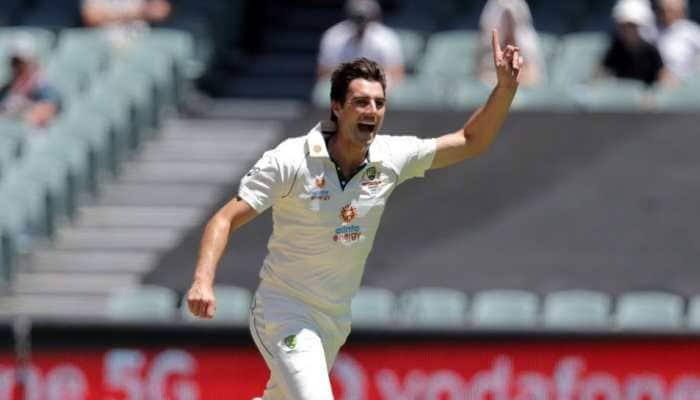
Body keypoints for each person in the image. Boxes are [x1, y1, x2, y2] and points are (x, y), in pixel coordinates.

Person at [187, 30, 522, 400]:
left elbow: (471, 141)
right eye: (361, 102)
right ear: (337, 107)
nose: (372, 112)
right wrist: (203, 281)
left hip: (334, 319)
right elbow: (223, 219)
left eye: (379, 103)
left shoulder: (390, 156)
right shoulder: (289, 160)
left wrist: (504, 89)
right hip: (283, 311)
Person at [317, 0, 404, 87]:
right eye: (356, 17)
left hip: (377, 87)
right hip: (344, 87)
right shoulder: (334, 36)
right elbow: (324, 72)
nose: (360, 22)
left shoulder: (386, 37)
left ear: (374, 17)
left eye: (364, 18)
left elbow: (396, 73)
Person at [477, 0, 544, 87]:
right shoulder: (487, 49)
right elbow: (482, 76)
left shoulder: (527, 47)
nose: (507, 23)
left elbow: (534, 78)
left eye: (510, 18)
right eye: (504, 18)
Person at [0, 38, 61, 129]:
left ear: (31, 62)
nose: (18, 67)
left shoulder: (44, 89)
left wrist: (21, 109)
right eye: (14, 62)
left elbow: (45, 114)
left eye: (21, 62)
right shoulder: (6, 90)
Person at [600, 0, 665, 85]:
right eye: (623, 26)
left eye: (632, 26)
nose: (627, 30)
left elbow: (662, 78)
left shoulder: (651, 50)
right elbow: (602, 71)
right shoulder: (615, 48)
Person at [81, 0, 171, 50]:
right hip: (105, 41)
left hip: (142, 40)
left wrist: (142, 11)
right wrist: (131, 13)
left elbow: (162, 10)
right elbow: (90, 16)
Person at [654, 0, 700, 85]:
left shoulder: (693, 32)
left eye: (670, 10)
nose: (666, 14)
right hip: (657, 83)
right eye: (662, 10)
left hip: (686, 84)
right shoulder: (651, 30)